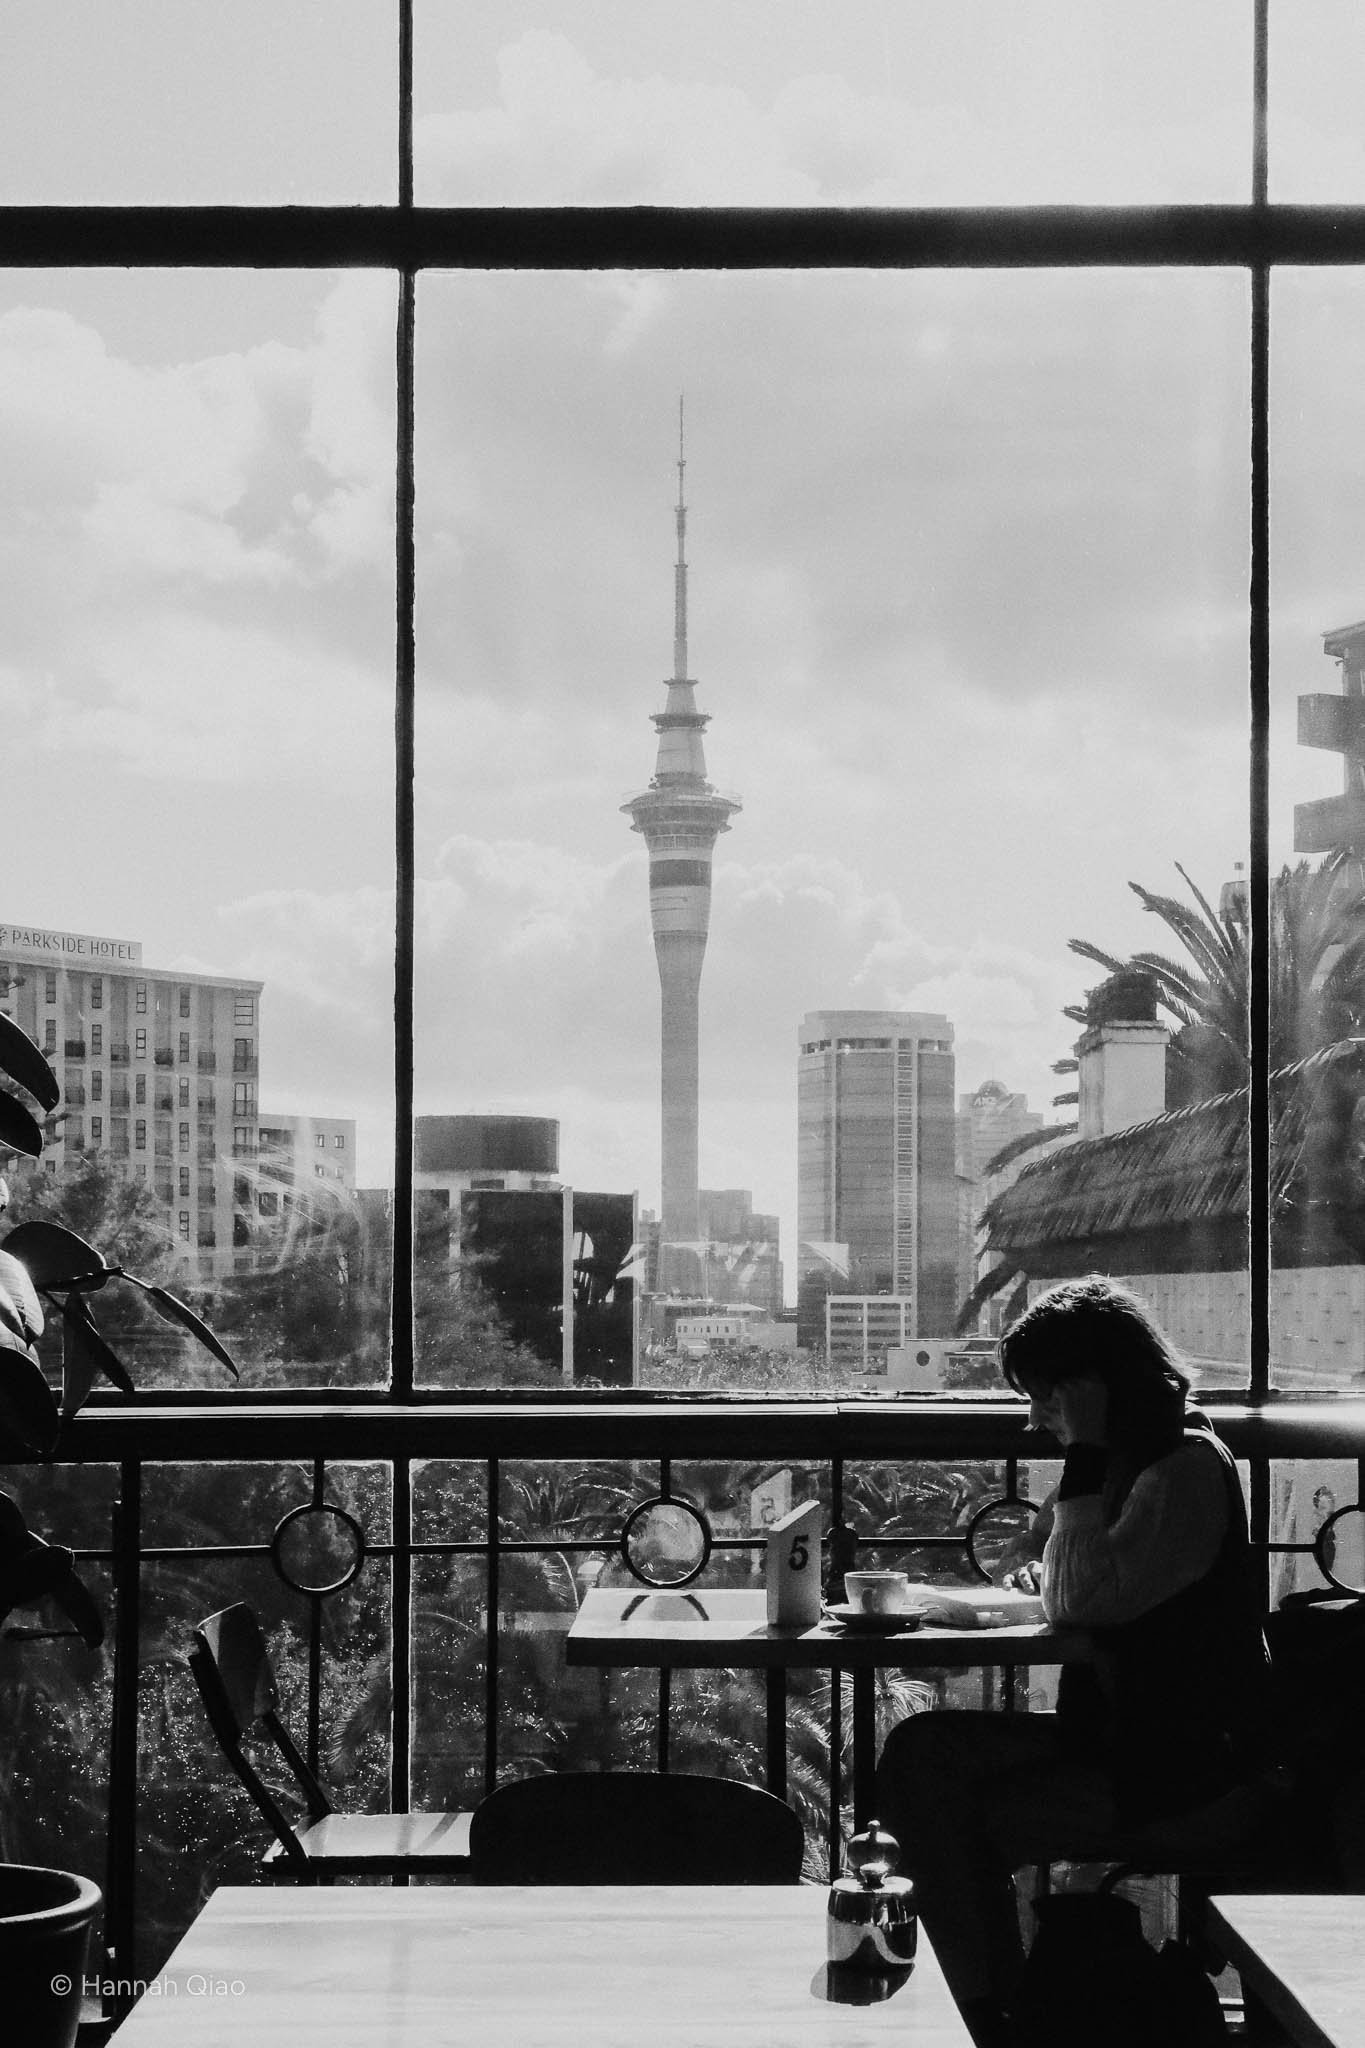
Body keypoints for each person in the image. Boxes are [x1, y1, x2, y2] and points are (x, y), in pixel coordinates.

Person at [873, 1275, 1272, 2048]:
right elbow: (1084, 1595)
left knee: (946, 1817)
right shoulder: (1144, 1460)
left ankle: (994, 2015)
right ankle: (993, 2004)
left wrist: (1083, 1456)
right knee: (922, 1752)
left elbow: (1081, 1603)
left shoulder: (1181, 1469)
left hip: (1179, 1766)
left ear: (1094, 1389)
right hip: (1129, 1733)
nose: (1035, 1419)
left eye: (1047, 1399)